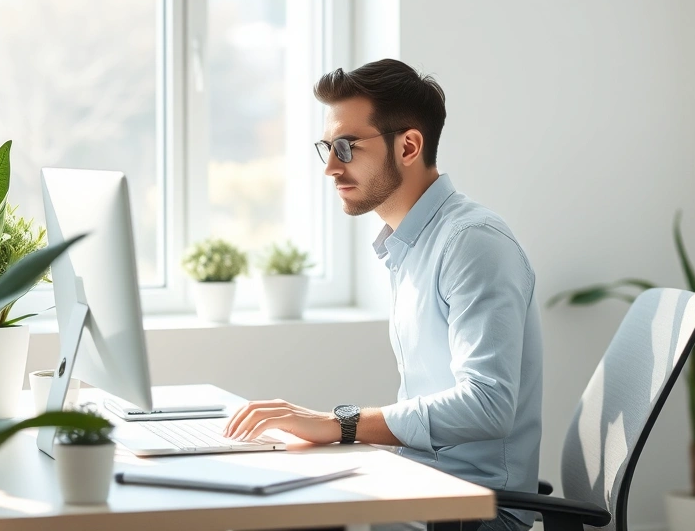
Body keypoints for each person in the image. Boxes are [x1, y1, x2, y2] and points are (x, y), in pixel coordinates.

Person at [223, 59, 543, 531]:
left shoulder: (473, 242)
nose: (332, 166)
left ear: (409, 145)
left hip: (472, 514)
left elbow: (487, 405)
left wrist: (342, 424)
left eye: (347, 147)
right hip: (419, 489)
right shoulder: (409, 245)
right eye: (328, 148)